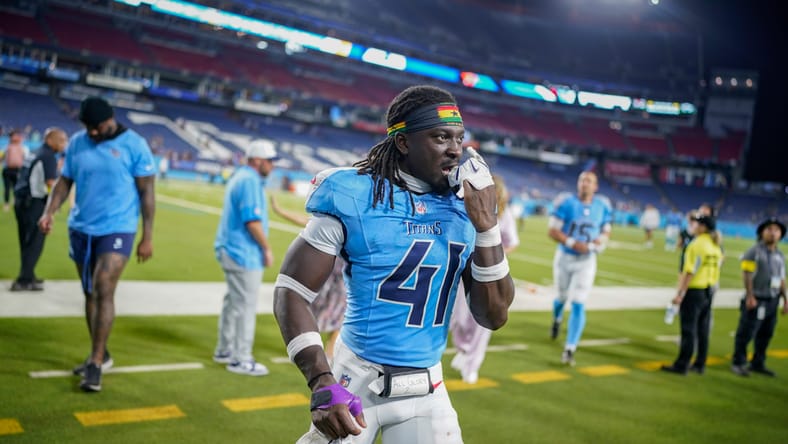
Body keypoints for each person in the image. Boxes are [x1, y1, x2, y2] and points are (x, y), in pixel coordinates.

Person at [273, 85, 514, 444]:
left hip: (428, 388)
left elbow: (493, 316)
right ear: (403, 142)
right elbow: (291, 292)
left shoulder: (465, 208)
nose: (454, 149)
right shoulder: (355, 194)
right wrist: (321, 381)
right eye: (440, 137)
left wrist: (487, 226)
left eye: (459, 138)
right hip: (356, 379)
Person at [38, 97, 156, 392]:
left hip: (118, 228)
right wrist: (49, 212)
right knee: (90, 291)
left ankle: (95, 362)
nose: (92, 133)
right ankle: (101, 352)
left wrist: (147, 235)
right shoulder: (78, 142)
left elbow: (147, 193)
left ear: (111, 118)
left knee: (104, 285)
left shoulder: (135, 145)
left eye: (98, 127)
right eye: (88, 127)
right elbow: (65, 182)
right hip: (81, 228)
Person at [212, 140, 277, 376]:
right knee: (245, 306)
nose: (273, 166)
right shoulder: (249, 181)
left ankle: (224, 349)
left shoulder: (241, 177)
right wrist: (267, 248)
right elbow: (252, 220)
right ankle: (240, 358)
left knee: (233, 303)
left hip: (230, 248)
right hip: (243, 252)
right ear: (257, 160)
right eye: (270, 161)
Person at [450, 174, 519, 384]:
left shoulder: (504, 215)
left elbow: (512, 242)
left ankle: (472, 365)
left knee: (483, 322)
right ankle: (463, 349)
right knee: (459, 319)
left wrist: (493, 253)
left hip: (489, 275)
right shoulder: (465, 206)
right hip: (465, 270)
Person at [270, 194, 347, 361]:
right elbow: (304, 220)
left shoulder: (345, 222)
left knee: (341, 314)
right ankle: (313, 348)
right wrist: (280, 211)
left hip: (341, 277)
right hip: (331, 274)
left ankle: (327, 352)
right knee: (320, 310)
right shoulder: (336, 222)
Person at [548, 171, 612, 366]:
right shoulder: (566, 202)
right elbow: (552, 231)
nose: (585, 183)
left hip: (587, 260)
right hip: (565, 257)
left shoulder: (602, 205)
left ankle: (570, 348)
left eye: (589, 181)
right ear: (578, 184)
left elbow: (606, 231)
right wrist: (573, 243)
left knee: (578, 302)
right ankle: (557, 318)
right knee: (561, 297)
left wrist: (594, 245)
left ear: (596, 186)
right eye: (582, 180)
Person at [661, 213, 722, 375]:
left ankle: (682, 364)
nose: (694, 227)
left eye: (697, 224)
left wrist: (680, 293)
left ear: (703, 227)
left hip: (695, 291)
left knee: (689, 330)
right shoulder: (715, 246)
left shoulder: (696, 245)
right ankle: (700, 364)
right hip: (709, 291)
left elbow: (689, 271)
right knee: (703, 330)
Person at [10, 128, 68, 291]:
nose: (64, 144)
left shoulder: (35, 152)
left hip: (21, 201)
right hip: (34, 203)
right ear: (50, 140)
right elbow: (51, 184)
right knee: (35, 242)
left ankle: (28, 274)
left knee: (25, 241)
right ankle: (24, 280)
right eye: (61, 140)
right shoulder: (48, 156)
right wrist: (51, 210)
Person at [731, 218, 786, 377]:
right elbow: (747, 274)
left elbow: (781, 279)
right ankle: (738, 362)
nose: (773, 233)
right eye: (769, 229)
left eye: (776, 230)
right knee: (747, 331)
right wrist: (750, 295)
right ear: (762, 232)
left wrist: (785, 299)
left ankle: (758, 362)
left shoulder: (780, 255)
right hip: (757, 298)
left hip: (772, 300)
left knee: (766, 333)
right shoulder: (754, 251)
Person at [2, 130, 26, 212]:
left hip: (18, 170)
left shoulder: (22, 147)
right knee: (7, 188)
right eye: (14, 136)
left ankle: (16, 201)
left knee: (17, 188)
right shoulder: (7, 147)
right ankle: (6, 203)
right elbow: (2, 158)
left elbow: (25, 159)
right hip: (7, 170)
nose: (16, 137)